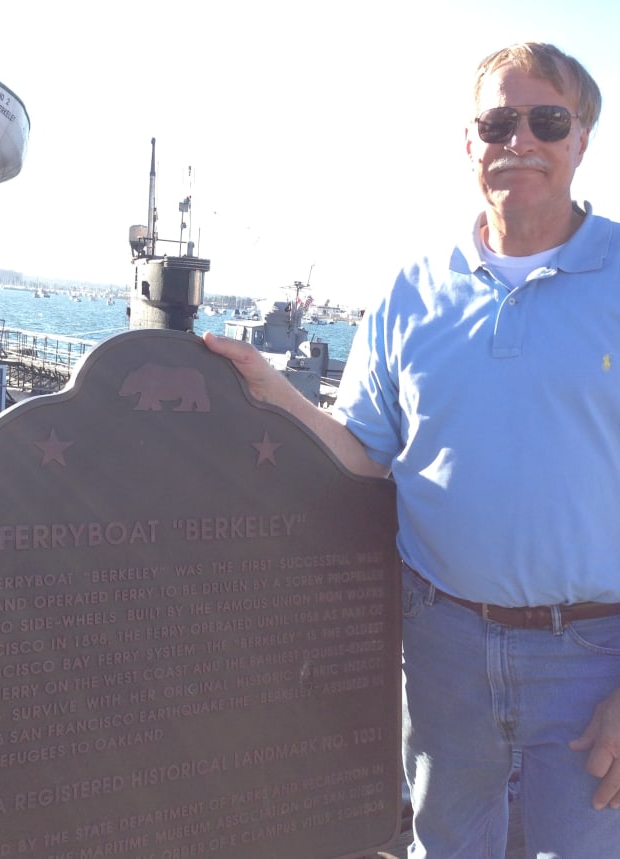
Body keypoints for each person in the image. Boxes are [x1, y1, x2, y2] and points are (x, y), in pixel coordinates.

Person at [204, 42, 620, 857]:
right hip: (444, 651)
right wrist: (270, 390)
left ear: (582, 137)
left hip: (592, 656)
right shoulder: (410, 293)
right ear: (470, 143)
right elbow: (364, 456)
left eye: (546, 120)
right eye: (497, 122)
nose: (519, 140)